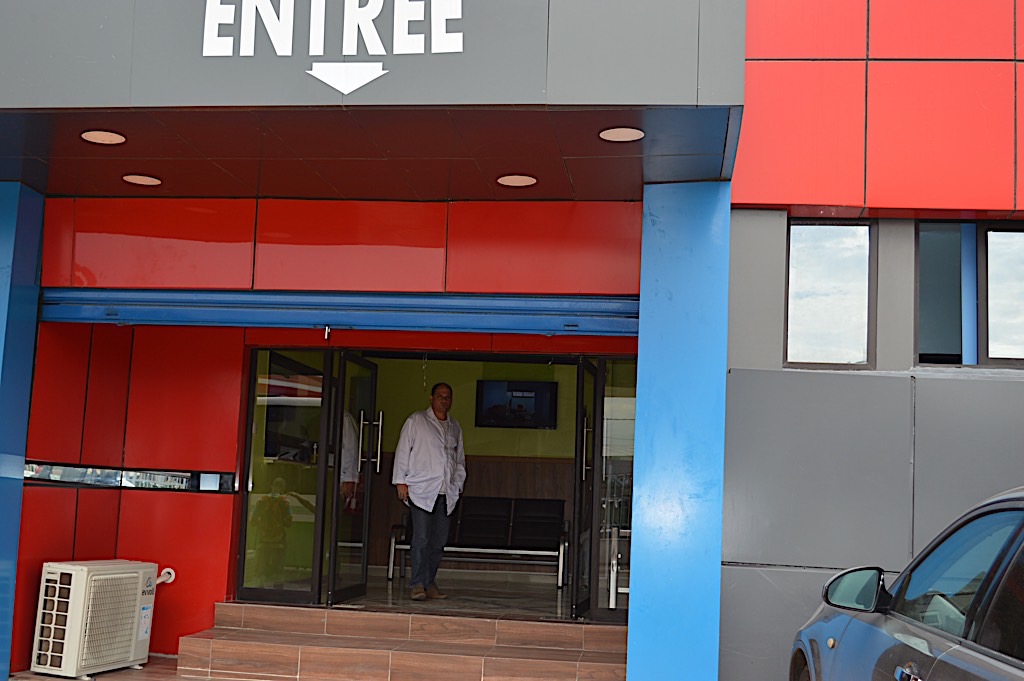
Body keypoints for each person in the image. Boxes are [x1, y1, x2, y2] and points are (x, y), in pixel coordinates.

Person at [392, 382, 466, 601]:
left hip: (446, 492)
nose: (444, 399)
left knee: (438, 542)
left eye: (448, 396)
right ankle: (417, 584)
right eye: (440, 395)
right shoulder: (417, 420)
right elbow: (403, 450)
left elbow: (459, 460)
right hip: (421, 490)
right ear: (431, 398)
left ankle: (429, 582)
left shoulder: (454, 426)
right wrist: (400, 481)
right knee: (422, 539)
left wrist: (458, 484)